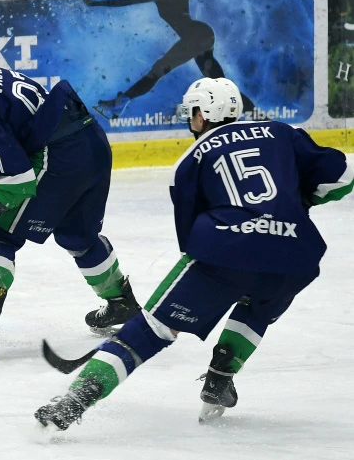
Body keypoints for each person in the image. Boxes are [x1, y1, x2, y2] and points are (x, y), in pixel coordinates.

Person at [35, 77, 353, 431]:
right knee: (258, 307)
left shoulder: (191, 159)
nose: (191, 120)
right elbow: (343, 177)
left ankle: (75, 400)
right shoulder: (283, 133)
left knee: (153, 328)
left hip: (225, 251)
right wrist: (296, 206)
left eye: (193, 113)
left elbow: (191, 238)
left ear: (203, 114)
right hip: (296, 253)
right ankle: (220, 375)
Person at [0, 35, 142, 359]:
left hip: (59, 157)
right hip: (90, 143)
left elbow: (18, 181)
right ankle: (124, 304)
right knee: (78, 236)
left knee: (0, 235)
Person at [83, 0, 257, 118]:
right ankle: (261, 120)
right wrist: (96, 3)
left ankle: (121, 102)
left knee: (158, 70)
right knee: (222, 86)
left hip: (196, 36)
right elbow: (126, 1)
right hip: (201, 37)